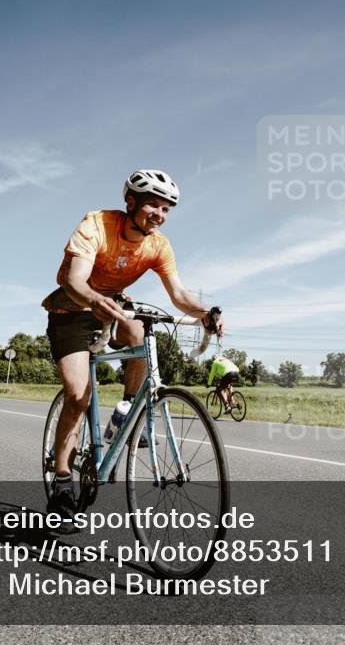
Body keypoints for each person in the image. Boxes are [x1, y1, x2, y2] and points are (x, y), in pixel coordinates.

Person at [42, 169, 223, 530]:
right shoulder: (97, 224)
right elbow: (75, 280)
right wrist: (95, 300)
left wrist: (205, 313)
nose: (160, 214)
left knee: (140, 331)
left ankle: (126, 410)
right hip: (73, 310)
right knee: (78, 395)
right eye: (153, 205)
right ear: (130, 203)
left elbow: (179, 296)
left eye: (167, 208)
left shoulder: (159, 245)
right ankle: (62, 484)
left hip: (114, 305)